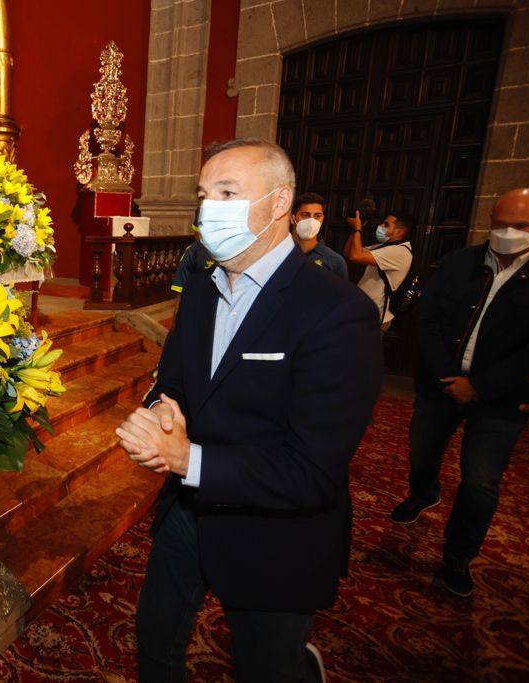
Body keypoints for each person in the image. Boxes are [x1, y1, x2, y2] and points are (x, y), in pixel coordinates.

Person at [116, 138, 382, 682]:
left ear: (279, 202)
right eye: (203, 193)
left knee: (267, 665)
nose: (208, 207)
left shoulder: (338, 311)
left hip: (274, 531)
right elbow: (173, 383)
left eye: (228, 192)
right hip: (185, 513)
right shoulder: (200, 291)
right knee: (156, 641)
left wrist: (188, 458)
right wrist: (160, 417)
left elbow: (313, 470)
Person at [390, 188, 529, 597]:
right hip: (441, 385)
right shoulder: (460, 264)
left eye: (520, 226)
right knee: (422, 451)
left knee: (480, 482)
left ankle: (457, 555)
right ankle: (423, 493)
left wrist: (480, 386)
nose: (508, 232)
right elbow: (429, 320)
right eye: (500, 223)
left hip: (501, 399)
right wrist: (446, 376)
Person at [344, 211, 415, 329]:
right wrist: (354, 231)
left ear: (399, 232)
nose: (380, 226)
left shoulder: (399, 252)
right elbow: (349, 252)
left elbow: (356, 256)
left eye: (386, 224)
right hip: (363, 313)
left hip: (373, 318)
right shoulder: (386, 247)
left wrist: (358, 229)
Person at [291, 192, 347, 278]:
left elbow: (340, 291)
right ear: (292, 218)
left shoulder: (335, 261)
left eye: (317, 216)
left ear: (322, 219)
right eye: (305, 215)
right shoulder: (277, 253)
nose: (311, 221)